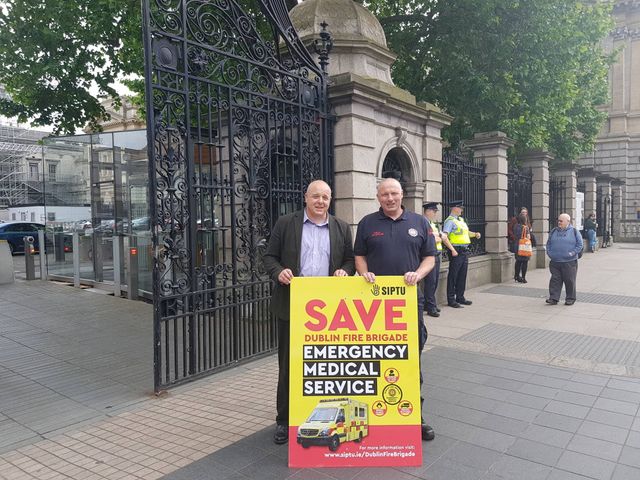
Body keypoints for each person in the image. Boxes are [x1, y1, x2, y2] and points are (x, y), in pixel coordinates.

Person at [264, 180, 355, 445]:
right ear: (305, 197)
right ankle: (284, 420)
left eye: (325, 197)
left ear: (331, 200)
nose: (320, 201)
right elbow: (269, 257)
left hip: (328, 312)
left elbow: (350, 259)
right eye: (315, 196)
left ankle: (321, 416)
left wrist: (345, 271)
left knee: (324, 367)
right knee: (289, 366)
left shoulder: (341, 227)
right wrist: (278, 272)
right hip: (292, 305)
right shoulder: (285, 223)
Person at [354, 178, 436, 441]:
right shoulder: (367, 223)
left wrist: (419, 273)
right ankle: (377, 416)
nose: (390, 198)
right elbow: (359, 256)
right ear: (378, 197)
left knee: (411, 360)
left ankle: (415, 416)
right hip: (374, 306)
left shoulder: (420, 223)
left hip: (408, 303)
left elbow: (430, 257)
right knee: (375, 359)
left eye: (394, 193)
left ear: (402, 195)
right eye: (385, 194)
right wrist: (364, 274)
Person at [441, 200, 482, 308]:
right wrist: (452, 250)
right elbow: (444, 237)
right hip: (456, 250)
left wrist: (475, 234)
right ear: (455, 208)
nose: (462, 210)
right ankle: (451, 299)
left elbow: (465, 233)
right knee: (453, 276)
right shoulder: (449, 221)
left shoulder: (461, 220)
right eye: (460, 208)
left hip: (464, 250)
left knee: (462, 275)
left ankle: (460, 297)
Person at [546, 213, 583, 306]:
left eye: (561, 221)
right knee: (555, 280)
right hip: (555, 261)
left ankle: (570, 298)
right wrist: (549, 253)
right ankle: (553, 298)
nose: (559, 222)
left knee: (569, 280)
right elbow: (548, 243)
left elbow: (580, 245)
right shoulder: (554, 231)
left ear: (568, 221)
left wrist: (572, 253)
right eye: (558, 220)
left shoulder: (574, 231)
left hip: (569, 262)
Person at [422, 202, 443, 317]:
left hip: (436, 254)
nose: (435, 214)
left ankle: (429, 303)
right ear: (428, 211)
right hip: (429, 256)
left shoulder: (432, 224)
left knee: (434, 282)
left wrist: (437, 237)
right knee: (430, 282)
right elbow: (429, 238)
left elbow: (439, 237)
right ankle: (431, 307)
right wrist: (437, 238)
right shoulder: (423, 222)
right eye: (434, 211)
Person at [512, 213, 531, 283]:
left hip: (517, 245)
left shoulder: (515, 226)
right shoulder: (526, 227)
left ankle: (516, 276)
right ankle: (523, 277)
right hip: (524, 246)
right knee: (525, 262)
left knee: (518, 261)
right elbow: (528, 237)